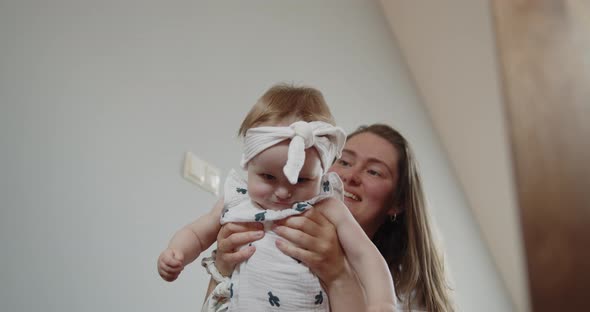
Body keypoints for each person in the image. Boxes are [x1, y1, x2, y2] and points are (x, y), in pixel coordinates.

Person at [157, 84, 396, 312]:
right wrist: (176, 251)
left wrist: (383, 300)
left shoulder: (327, 206)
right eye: (268, 177)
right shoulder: (238, 199)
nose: (283, 192)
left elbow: (365, 255)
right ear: (249, 164)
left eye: (301, 180)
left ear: (321, 173)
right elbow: (198, 233)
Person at [211, 124, 454, 312]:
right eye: (345, 161)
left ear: (397, 203)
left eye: (374, 171)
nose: (351, 176)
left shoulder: (406, 294)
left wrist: (338, 274)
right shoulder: (264, 222)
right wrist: (222, 268)